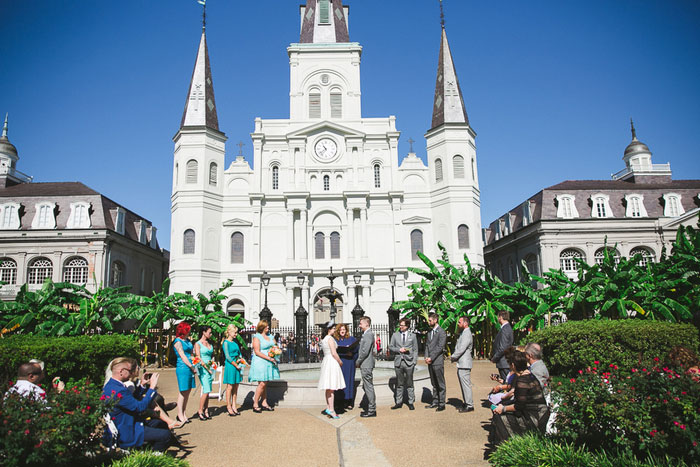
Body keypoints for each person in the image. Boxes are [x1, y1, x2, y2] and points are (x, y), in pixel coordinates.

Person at [103, 357, 172, 452]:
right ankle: (153, 457)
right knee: (165, 436)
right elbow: (140, 407)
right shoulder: (119, 390)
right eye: (130, 370)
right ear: (121, 371)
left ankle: (147, 449)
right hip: (128, 430)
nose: (132, 373)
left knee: (160, 423)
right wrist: (151, 388)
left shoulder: (112, 385)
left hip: (127, 423)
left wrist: (142, 386)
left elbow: (130, 402)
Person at [492, 351, 550, 444]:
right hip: (541, 413)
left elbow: (519, 406)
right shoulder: (530, 375)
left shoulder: (522, 381)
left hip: (535, 417)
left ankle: (506, 447)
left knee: (500, 418)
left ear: (513, 366)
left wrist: (503, 409)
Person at [248, 320, 280, 413]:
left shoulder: (270, 336)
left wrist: (275, 351)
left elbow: (275, 345)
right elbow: (257, 351)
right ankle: (255, 403)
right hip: (261, 361)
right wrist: (268, 358)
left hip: (269, 361)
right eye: (266, 327)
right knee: (262, 383)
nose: (268, 328)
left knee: (265, 383)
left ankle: (264, 402)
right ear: (262, 327)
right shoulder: (257, 337)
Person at [317, 321, 345, 419]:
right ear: (329, 329)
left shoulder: (324, 339)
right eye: (333, 328)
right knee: (331, 387)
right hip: (332, 361)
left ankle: (328, 407)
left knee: (328, 387)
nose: (335, 330)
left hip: (326, 361)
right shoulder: (330, 339)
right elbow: (334, 353)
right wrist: (340, 361)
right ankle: (332, 409)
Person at [389, 318, 418, 410]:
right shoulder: (395, 335)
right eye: (400, 325)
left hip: (409, 362)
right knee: (399, 383)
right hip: (398, 362)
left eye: (402, 325)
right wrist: (398, 350)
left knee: (409, 383)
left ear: (407, 326)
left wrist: (414, 361)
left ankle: (410, 401)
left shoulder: (412, 336)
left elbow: (415, 349)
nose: (400, 327)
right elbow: (391, 346)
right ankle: (399, 402)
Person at [172, 322, 197, 424]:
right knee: (183, 391)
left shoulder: (187, 340)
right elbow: (182, 355)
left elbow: (191, 354)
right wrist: (191, 366)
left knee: (188, 391)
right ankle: (179, 414)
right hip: (183, 367)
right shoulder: (177, 341)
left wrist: (195, 362)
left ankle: (184, 412)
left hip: (191, 365)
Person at [451, 315, 474, 413]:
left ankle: (469, 405)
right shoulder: (464, 333)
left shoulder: (466, 334)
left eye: (460, 322)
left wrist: (453, 356)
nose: (458, 324)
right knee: (463, 384)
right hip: (462, 363)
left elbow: (461, 348)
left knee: (466, 384)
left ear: (465, 323)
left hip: (464, 363)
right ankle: (466, 402)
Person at [425, 312, 447, 411]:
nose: (428, 322)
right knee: (434, 383)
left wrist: (431, 357)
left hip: (437, 361)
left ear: (435, 320)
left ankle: (441, 403)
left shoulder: (441, 332)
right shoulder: (429, 332)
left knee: (440, 383)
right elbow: (427, 345)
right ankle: (435, 401)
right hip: (430, 361)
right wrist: (426, 357)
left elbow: (440, 347)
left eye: (430, 320)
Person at [335, 323, 359, 410]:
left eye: (344, 330)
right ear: (338, 331)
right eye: (341, 330)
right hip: (339, 363)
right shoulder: (335, 340)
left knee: (349, 381)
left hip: (349, 362)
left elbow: (357, 351)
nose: (342, 331)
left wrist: (352, 354)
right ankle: (339, 401)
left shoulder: (352, 339)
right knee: (339, 382)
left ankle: (349, 401)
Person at [356, 316, 376, 417]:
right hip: (366, 363)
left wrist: (358, 361)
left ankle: (372, 410)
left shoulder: (368, 334)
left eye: (361, 323)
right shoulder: (367, 334)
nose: (359, 326)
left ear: (366, 324)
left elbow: (365, 351)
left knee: (368, 387)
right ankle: (371, 407)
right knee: (368, 386)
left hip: (366, 364)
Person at [194, 325, 215, 420]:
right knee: (206, 389)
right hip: (203, 367)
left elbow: (211, 356)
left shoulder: (209, 343)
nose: (211, 334)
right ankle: (200, 410)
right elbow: (198, 357)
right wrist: (207, 368)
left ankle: (206, 410)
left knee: (208, 389)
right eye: (209, 332)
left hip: (210, 366)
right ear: (204, 332)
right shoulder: (198, 344)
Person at [222, 324, 243, 416]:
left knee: (236, 386)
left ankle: (234, 405)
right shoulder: (226, 343)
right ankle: (229, 406)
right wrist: (235, 364)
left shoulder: (235, 343)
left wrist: (240, 360)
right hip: (231, 365)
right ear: (229, 332)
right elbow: (227, 356)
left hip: (237, 364)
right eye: (234, 332)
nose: (236, 334)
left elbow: (239, 354)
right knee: (230, 386)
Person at [491, 310, 514, 381]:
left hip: (504, 362)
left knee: (507, 382)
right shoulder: (507, 328)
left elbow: (503, 347)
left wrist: (495, 358)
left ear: (500, 317)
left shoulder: (505, 329)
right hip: (504, 362)